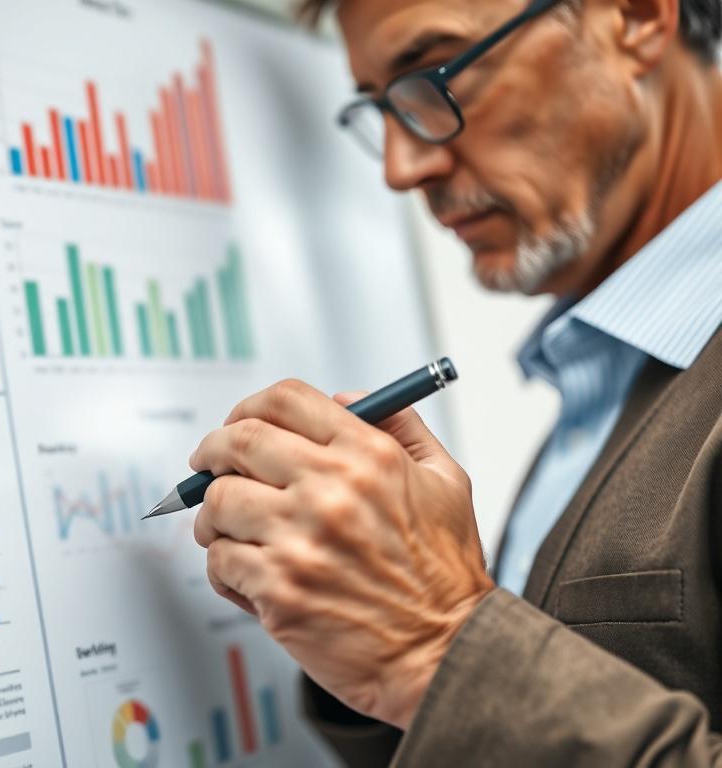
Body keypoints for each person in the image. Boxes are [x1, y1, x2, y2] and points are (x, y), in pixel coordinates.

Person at [188, 0, 722, 763]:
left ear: (636, 16)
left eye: (435, 74)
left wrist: (438, 644)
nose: (403, 168)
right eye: (381, 106)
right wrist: (370, 647)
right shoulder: (608, 368)